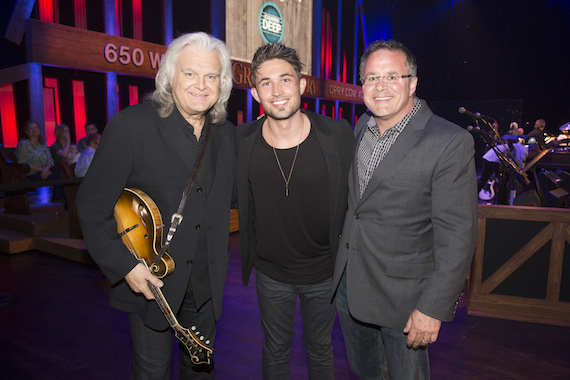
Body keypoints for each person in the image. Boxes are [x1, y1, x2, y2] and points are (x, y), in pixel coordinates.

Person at [76, 32, 235, 379]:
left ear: (222, 84)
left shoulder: (226, 135)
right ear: (170, 76)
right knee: (152, 373)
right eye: (190, 73)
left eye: (212, 76)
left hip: (207, 287)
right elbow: (90, 206)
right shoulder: (131, 126)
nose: (201, 85)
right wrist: (125, 267)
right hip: (152, 283)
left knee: (201, 372)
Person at [332, 40, 477, 379]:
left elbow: (458, 235)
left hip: (406, 300)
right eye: (370, 78)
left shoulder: (449, 141)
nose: (380, 86)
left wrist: (433, 307)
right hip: (350, 288)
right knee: (364, 372)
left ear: (412, 83)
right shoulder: (359, 130)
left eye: (392, 76)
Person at [235, 43, 353, 379]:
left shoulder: (336, 134)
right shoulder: (242, 140)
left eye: (285, 80)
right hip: (271, 273)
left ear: (302, 85)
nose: (277, 91)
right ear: (256, 93)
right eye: (266, 83)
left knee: (320, 349)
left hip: (325, 271)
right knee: (274, 351)